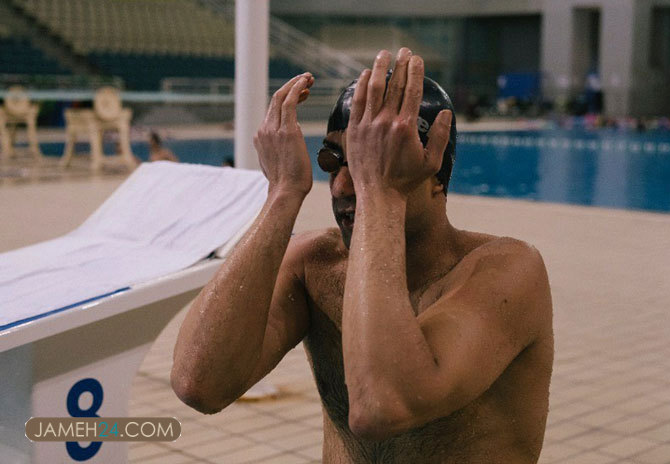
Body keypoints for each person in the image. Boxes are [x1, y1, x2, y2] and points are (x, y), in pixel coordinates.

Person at [171, 48, 553, 463]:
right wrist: (282, 193)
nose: (341, 186)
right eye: (334, 160)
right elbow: (199, 384)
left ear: (436, 174)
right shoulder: (316, 265)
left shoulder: (506, 272)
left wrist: (380, 192)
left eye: (370, 160)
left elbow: (383, 405)